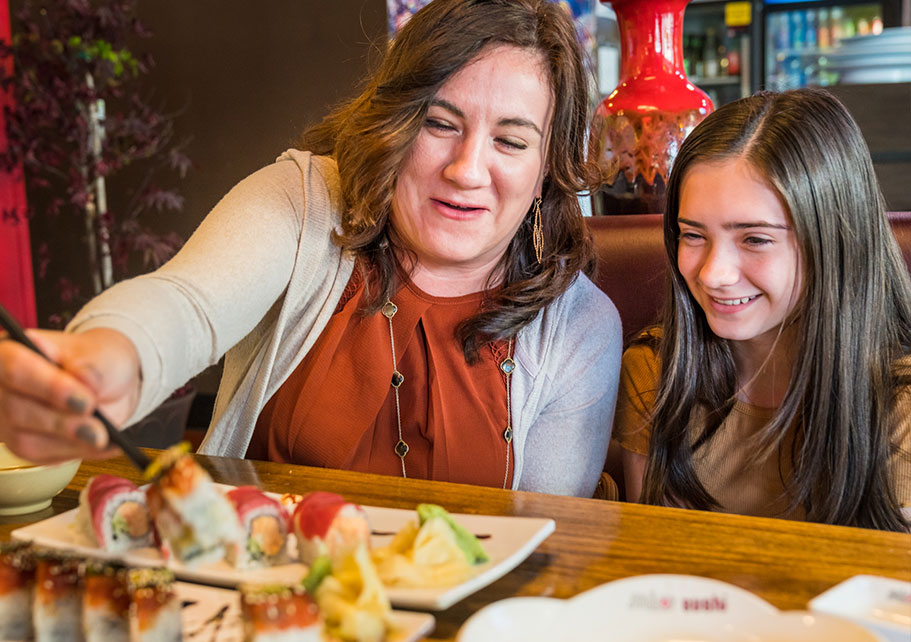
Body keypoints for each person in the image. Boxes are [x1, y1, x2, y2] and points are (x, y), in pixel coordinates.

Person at [0, 0, 621, 497]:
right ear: (396, 123)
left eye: (511, 142)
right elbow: (184, 304)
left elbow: (546, 540)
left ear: (546, 169)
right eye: (439, 123)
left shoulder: (580, 327)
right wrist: (103, 357)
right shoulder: (304, 201)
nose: (466, 169)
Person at [614, 88, 911, 531]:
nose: (714, 274)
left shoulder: (899, 401)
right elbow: (655, 567)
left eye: (755, 239)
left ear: (833, 241)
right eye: (693, 235)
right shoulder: (656, 371)